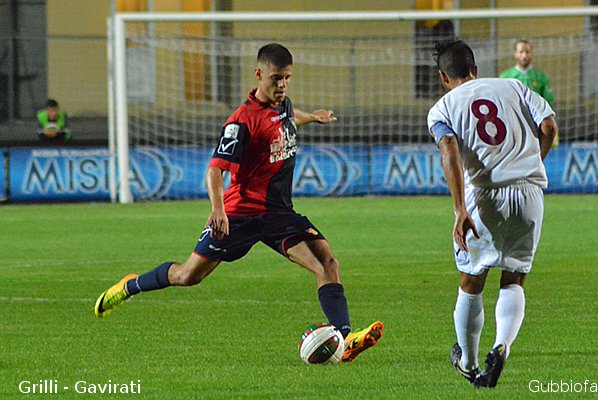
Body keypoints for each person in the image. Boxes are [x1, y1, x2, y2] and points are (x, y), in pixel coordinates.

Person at [93, 43, 383, 363]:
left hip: (278, 213)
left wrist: (312, 117)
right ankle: (131, 285)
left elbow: (287, 119)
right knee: (188, 276)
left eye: (287, 78)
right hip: (239, 214)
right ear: (258, 74)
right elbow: (215, 170)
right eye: (276, 78)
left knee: (326, 262)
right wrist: (218, 210)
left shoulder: (283, 104)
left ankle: (345, 338)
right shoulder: (241, 122)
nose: (282, 85)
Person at [427, 40, 557, 388]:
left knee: (472, 280)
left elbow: (450, 149)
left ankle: (468, 363)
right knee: (514, 278)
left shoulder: (443, 108)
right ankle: (502, 345)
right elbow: (549, 127)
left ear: (443, 76)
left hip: (483, 196)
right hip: (529, 193)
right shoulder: (514, 85)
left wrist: (459, 209)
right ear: (476, 69)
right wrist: (532, 165)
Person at [500, 39, 558, 148]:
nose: (524, 55)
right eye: (521, 52)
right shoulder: (505, 77)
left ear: (532, 54)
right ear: (515, 54)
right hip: (514, 125)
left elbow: (548, 100)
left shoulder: (541, 76)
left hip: (536, 124)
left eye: (527, 52)